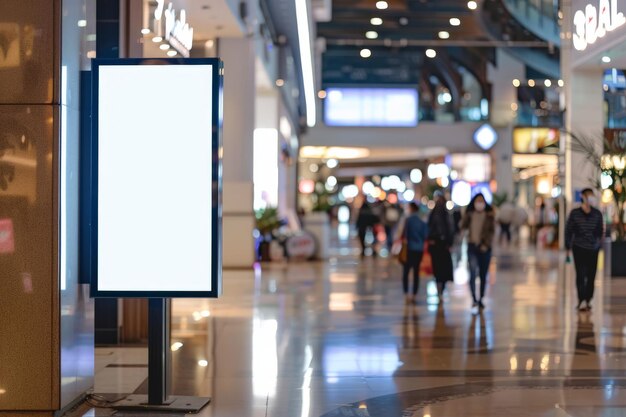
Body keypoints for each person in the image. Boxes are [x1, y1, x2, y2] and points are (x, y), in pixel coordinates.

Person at [565, 188, 604, 311]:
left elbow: (599, 231)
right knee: (580, 275)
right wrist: (568, 247)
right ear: (583, 197)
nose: (591, 198)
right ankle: (581, 299)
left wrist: (597, 243)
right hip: (579, 248)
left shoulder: (597, 214)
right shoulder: (574, 213)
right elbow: (568, 230)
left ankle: (588, 300)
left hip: (593, 249)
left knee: (591, 275)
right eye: (589, 196)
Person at [461, 193, 495, 310]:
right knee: (472, 273)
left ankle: (481, 298)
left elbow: (492, 232)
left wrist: (486, 244)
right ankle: (474, 298)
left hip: (485, 249)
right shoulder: (470, 215)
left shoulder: (489, 216)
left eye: (482, 201)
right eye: (477, 201)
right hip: (472, 248)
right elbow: (462, 226)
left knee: (483, 275)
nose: (479, 204)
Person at [428, 191, 454, 300]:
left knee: (442, 268)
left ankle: (441, 287)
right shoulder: (435, 213)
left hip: (443, 245)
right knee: (438, 268)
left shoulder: (444, 214)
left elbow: (450, 228)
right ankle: (439, 287)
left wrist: (449, 242)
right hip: (437, 245)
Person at [402, 202, 428, 304]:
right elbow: (425, 235)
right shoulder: (422, 221)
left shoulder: (408, 220)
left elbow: (404, 234)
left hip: (409, 248)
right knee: (416, 271)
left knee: (406, 271)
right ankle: (414, 293)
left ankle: (406, 292)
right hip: (419, 249)